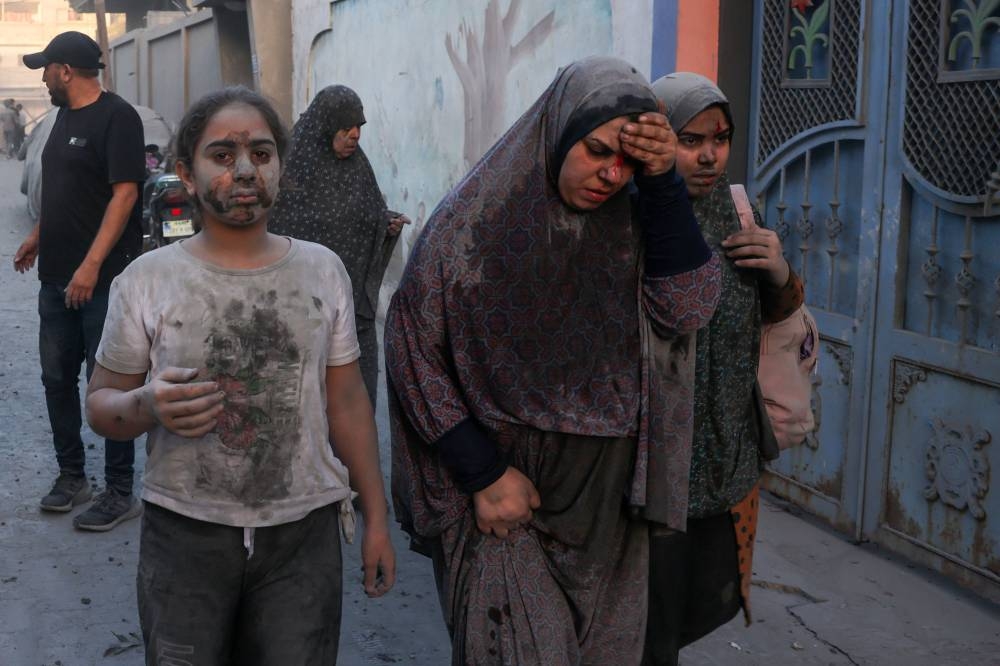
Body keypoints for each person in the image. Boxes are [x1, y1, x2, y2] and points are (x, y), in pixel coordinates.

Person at [385, 56, 722, 665]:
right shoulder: (473, 225)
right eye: (595, 151)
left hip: (609, 508)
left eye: (626, 162)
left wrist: (663, 183)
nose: (610, 175)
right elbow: (412, 345)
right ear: (560, 132)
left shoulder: (639, 220)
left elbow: (689, 308)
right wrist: (482, 473)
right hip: (507, 499)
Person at [84, 86, 396, 663]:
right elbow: (102, 404)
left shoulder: (322, 271)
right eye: (223, 156)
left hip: (302, 534)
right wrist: (149, 404)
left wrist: (376, 518)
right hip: (184, 533)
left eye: (261, 152)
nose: (245, 169)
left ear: (281, 163)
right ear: (187, 172)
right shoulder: (148, 281)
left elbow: (348, 401)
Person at [642, 72, 806, 665]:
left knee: (695, 604)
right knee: (644, 623)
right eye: (690, 140)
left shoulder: (739, 211)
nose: (709, 154)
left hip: (725, 462)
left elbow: (778, 315)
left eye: (721, 137)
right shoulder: (634, 216)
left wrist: (780, 272)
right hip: (651, 470)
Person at [13, 31, 144, 531]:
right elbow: (67, 190)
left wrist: (90, 267)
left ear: (65, 70)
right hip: (55, 278)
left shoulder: (118, 118)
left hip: (103, 279)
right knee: (55, 380)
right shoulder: (62, 117)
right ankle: (73, 477)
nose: (42, 77)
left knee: (107, 383)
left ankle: (119, 490)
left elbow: (124, 195)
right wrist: (39, 236)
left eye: (45, 68)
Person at [270, 85, 409, 411]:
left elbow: (368, 215)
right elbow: (274, 233)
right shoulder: (290, 172)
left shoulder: (359, 168)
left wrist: (385, 224)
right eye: (346, 127)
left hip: (354, 312)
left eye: (359, 127)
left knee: (355, 408)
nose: (355, 135)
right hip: (302, 316)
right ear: (325, 126)